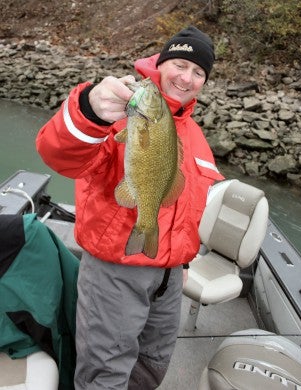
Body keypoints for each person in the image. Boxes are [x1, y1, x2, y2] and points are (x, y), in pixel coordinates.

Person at [36, 25, 224, 390]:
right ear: (161, 64)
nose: (187, 78)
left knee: (152, 363)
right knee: (105, 372)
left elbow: (188, 205)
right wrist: (89, 109)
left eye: (198, 72)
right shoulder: (119, 111)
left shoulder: (196, 135)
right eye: (180, 65)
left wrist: (182, 260)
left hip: (170, 277)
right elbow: (58, 154)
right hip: (116, 271)